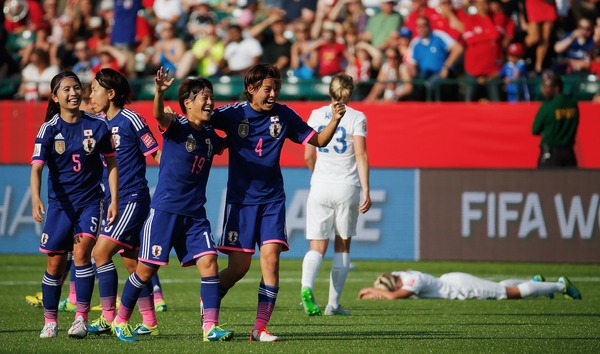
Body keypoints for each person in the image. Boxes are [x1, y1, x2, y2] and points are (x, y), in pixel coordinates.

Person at [211, 63, 347, 341]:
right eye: (267, 89)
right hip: (241, 201)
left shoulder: (283, 115)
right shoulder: (232, 114)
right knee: (239, 268)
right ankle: (210, 299)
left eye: (276, 88)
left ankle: (259, 329)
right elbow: (200, 122)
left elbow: (318, 140)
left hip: (272, 199)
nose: (273, 94)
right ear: (250, 89)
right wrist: (218, 142)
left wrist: (334, 120)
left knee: (271, 262)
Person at [110, 67, 232, 342]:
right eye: (204, 97)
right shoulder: (176, 127)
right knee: (145, 270)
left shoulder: (211, 136)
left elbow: (230, 142)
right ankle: (120, 320)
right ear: (188, 103)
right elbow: (158, 116)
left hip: (195, 215)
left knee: (210, 262)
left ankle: (210, 327)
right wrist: (159, 92)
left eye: (211, 97)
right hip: (165, 211)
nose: (210, 102)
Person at [31, 71, 119, 338]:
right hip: (60, 206)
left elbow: (112, 163)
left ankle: (80, 318)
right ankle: (50, 321)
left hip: (90, 203)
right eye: (66, 89)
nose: (73, 93)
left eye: (76, 88)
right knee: (55, 264)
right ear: (55, 96)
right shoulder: (49, 128)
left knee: (82, 256)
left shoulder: (97, 126)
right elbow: (36, 168)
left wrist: (113, 199)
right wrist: (36, 198)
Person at [86, 68, 161, 336]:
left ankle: (108, 317)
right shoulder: (96, 123)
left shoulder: (132, 119)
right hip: (113, 200)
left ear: (111, 93)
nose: (90, 94)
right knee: (132, 263)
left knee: (100, 253)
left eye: (95, 89)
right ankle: (150, 322)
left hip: (132, 198)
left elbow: (156, 154)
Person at [300, 73, 371, 317]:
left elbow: (308, 155)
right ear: (350, 93)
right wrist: (367, 190)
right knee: (342, 247)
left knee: (316, 246)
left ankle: (306, 287)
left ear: (329, 91)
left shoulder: (317, 115)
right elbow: (361, 155)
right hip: (346, 186)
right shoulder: (356, 117)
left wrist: (318, 173)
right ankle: (333, 305)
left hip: (320, 185)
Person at [358, 271, 582, 300]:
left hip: (460, 288)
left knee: (510, 293)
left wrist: (372, 291)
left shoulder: (412, 280)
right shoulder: (403, 277)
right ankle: (535, 284)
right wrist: (370, 294)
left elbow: (397, 296)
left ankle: (560, 285)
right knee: (500, 286)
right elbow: (393, 294)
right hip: (454, 282)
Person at [532, 70, 579, 168]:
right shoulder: (573, 104)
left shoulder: (547, 106)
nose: (543, 90)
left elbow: (535, 129)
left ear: (556, 88)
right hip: (569, 153)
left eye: (546, 87)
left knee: (545, 182)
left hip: (551, 154)